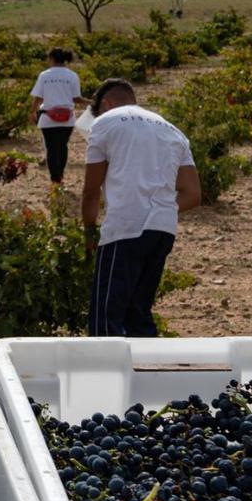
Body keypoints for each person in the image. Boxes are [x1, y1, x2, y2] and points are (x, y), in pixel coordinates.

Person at [82, 78, 201, 337]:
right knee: (139, 314)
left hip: (124, 230)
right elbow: (192, 194)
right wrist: (161, 208)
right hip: (162, 230)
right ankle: (145, 374)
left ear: (107, 103)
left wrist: (90, 231)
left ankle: (109, 377)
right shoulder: (172, 130)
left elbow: (91, 192)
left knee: (106, 318)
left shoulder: (105, 122)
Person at [29, 47, 86, 184]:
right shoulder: (72, 75)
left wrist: (32, 112)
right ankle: (60, 174)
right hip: (67, 119)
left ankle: (55, 179)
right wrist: (91, 102)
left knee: (51, 149)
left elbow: (38, 97)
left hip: (48, 119)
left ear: (52, 59)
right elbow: (76, 99)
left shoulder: (44, 75)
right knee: (62, 146)